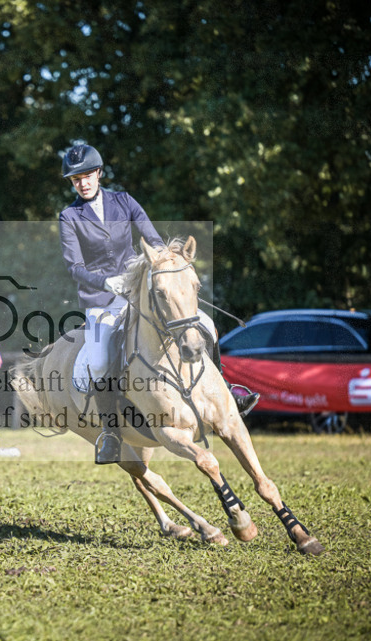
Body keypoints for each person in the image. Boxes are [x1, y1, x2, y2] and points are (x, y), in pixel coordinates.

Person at [58, 144, 258, 464]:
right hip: (102, 299)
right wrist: (106, 282)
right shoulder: (69, 216)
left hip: (142, 292)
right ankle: (110, 433)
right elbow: (74, 266)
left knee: (206, 325)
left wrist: (168, 268)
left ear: (98, 173)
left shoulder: (123, 201)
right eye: (75, 179)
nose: (82, 183)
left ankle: (228, 390)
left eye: (87, 175)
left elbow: (152, 239)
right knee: (97, 360)